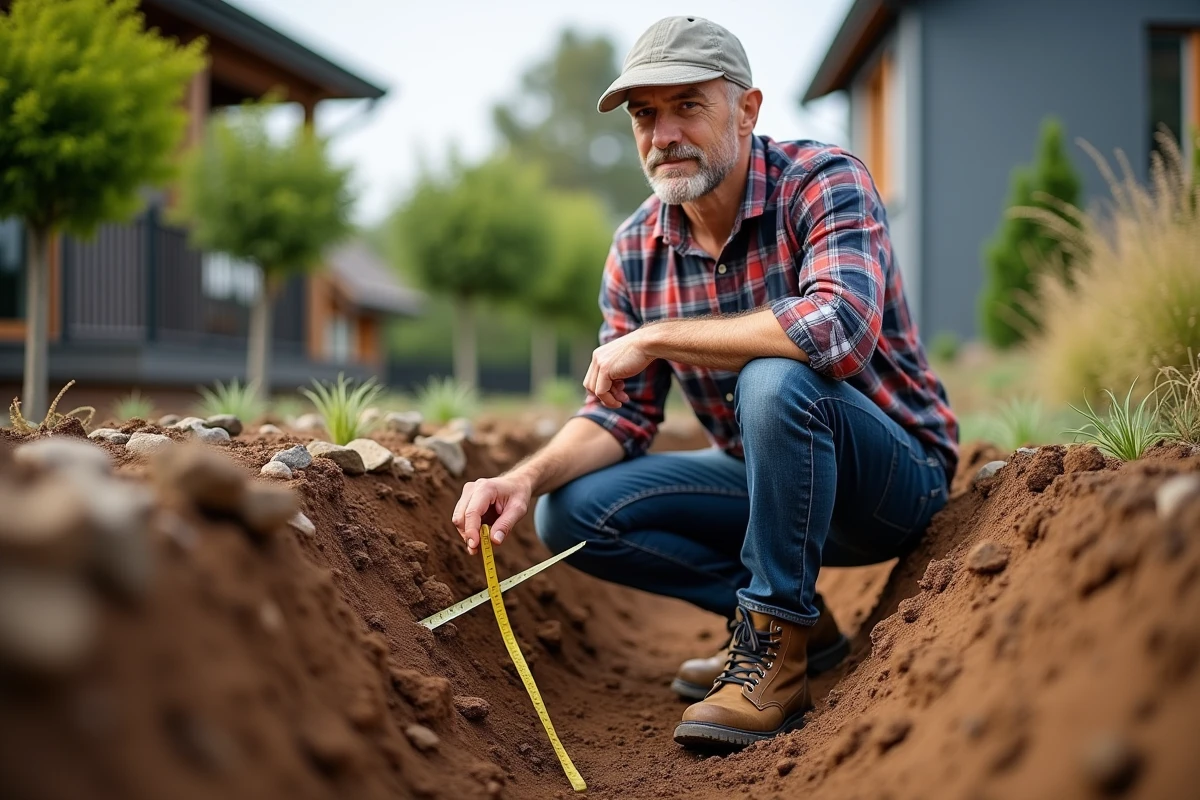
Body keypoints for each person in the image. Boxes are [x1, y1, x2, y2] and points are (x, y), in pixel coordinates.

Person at [451, 15, 958, 750]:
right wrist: (523, 478)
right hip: (767, 485)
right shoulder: (636, 248)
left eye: (687, 105)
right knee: (573, 512)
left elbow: (837, 329)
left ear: (746, 110)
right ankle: (795, 627)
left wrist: (655, 336)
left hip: (888, 485)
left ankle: (774, 654)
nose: (663, 135)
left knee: (775, 378)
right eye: (644, 115)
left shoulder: (822, 180)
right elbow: (621, 418)